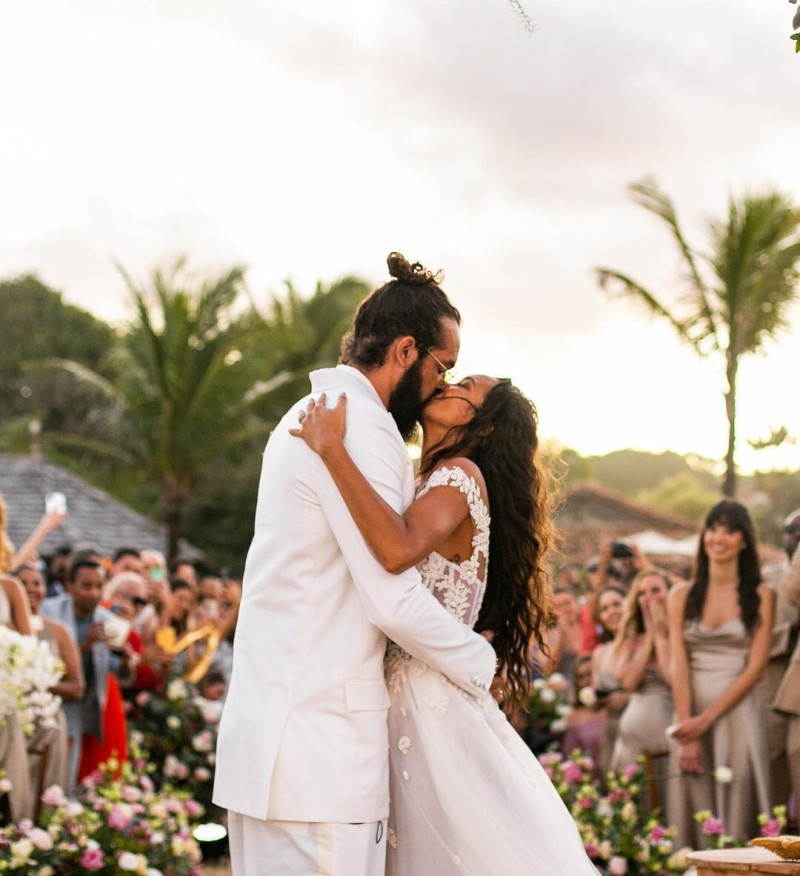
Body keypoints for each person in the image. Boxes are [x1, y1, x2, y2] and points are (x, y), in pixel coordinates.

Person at [213, 253, 498, 876]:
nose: (444, 384)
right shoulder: (361, 427)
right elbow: (389, 592)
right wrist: (481, 661)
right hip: (322, 755)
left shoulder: (306, 411)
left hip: (270, 747)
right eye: (441, 367)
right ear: (404, 351)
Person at [292, 381, 595, 868]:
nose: (448, 384)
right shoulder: (425, 480)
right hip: (402, 691)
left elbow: (395, 550)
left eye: (465, 387)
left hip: (427, 699)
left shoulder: (459, 476)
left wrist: (331, 449)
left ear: (483, 423)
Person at [666, 500, 774, 847]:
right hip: (688, 710)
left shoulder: (761, 595)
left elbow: (756, 668)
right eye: (713, 528)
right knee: (692, 798)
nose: (719, 537)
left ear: (744, 540)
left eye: (730, 530)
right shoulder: (680, 595)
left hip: (738, 712)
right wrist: (689, 729)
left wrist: (707, 718)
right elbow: (679, 663)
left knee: (740, 792)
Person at [40, 556, 136, 790]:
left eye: (98, 586)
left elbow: (123, 676)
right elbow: (41, 663)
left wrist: (125, 660)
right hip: (51, 704)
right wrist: (84, 647)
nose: (94, 593)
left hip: (90, 710)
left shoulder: (110, 622)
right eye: (86, 586)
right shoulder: (48, 612)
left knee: (75, 778)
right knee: (47, 775)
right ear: (69, 584)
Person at [609, 568, 673, 815]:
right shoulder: (631, 637)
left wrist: (662, 634)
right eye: (642, 593)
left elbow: (672, 677)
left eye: (656, 590)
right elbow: (628, 683)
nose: (649, 598)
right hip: (634, 732)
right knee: (636, 804)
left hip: (668, 725)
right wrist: (649, 637)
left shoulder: (681, 632)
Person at [15, 563, 83, 794]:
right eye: (23, 583)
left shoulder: (59, 632)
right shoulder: (5, 631)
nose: (31, 589)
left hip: (47, 724)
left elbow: (77, 687)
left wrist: (41, 682)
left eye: (37, 583)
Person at [770, 509, 800, 806]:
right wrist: (788, 633)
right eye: (793, 531)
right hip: (776, 689)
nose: (798, 537)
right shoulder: (769, 577)